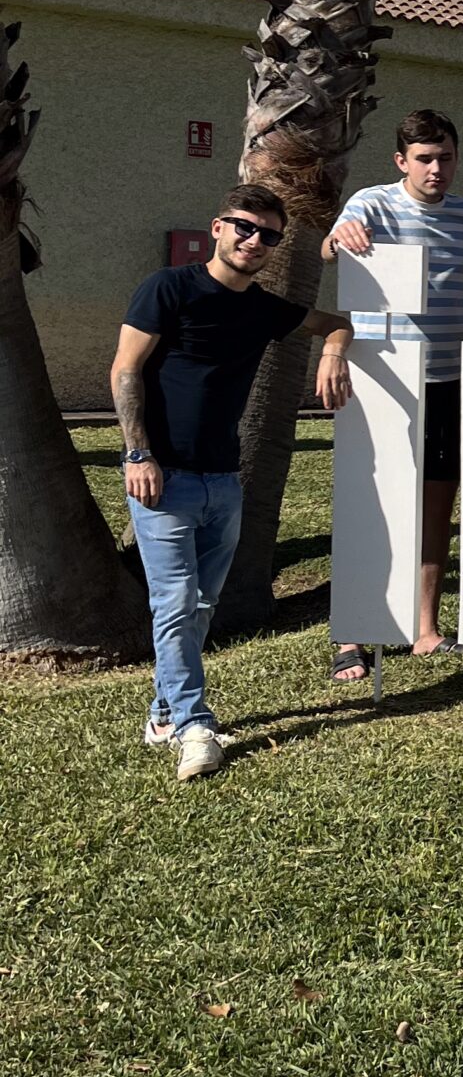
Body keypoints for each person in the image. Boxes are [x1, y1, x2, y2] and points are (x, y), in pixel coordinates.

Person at [112, 186, 353, 781]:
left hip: (224, 480)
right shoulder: (169, 288)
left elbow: (335, 323)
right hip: (162, 478)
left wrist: (332, 353)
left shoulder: (263, 308)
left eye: (269, 235)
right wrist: (138, 454)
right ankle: (194, 726)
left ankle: (163, 712)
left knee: (199, 605)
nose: (254, 241)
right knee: (174, 603)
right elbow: (125, 370)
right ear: (218, 227)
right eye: (244, 227)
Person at [323, 107, 463, 673]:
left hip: (449, 381)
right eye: (424, 159)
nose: (435, 169)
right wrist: (340, 236)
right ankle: (353, 634)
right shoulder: (371, 204)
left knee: (437, 506)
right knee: (371, 504)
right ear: (402, 161)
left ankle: (425, 629)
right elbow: (330, 248)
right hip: (383, 383)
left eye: (445, 157)